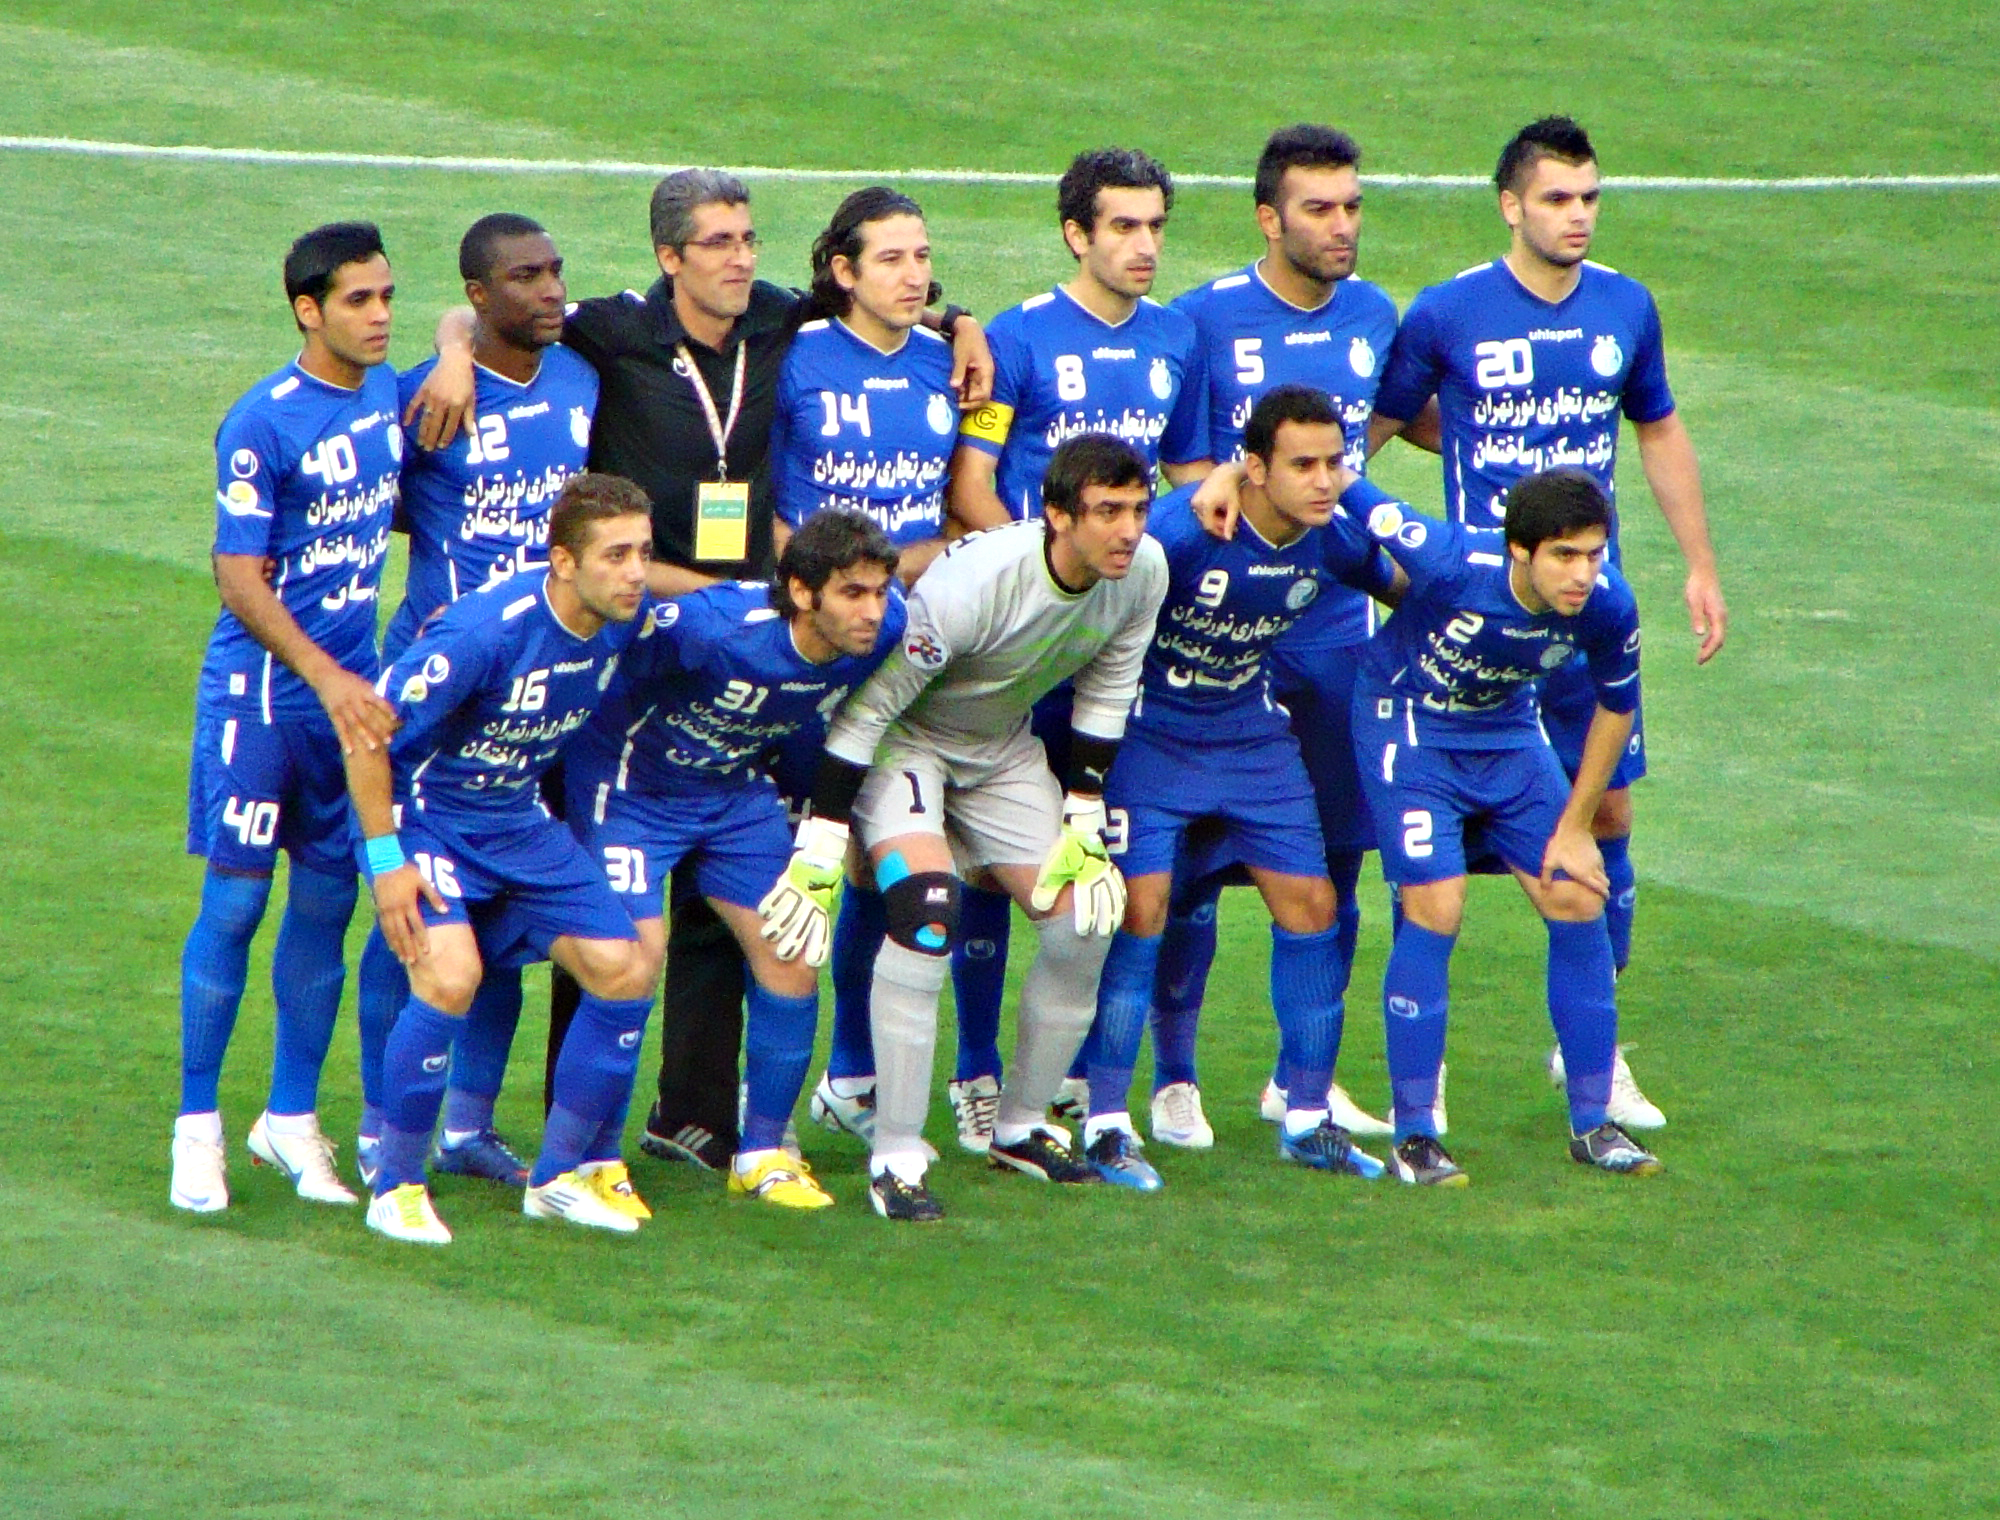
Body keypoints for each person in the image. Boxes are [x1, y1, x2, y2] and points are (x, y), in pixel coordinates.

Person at [413, 170, 990, 1174]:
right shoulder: (613, 330)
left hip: (765, 624)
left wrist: (965, 322)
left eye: (749, 239)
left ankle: (697, 1117)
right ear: (670, 256)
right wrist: (452, 353)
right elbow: (487, 305)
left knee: (739, 897)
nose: (739, 258)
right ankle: (566, 1128)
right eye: (716, 242)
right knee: (600, 906)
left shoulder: (774, 319)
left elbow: (882, 292)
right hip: (643, 628)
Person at [813, 147, 1205, 1157]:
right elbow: (972, 472)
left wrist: (1082, 798)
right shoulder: (1013, 345)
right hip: (961, 647)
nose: (1144, 245)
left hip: (1036, 675)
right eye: (1122, 225)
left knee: (1069, 911)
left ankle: (1017, 1113)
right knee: (922, 894)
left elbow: (1186, 475)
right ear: (1077, 233)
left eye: (1156, 225)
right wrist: (1031, 562)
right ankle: (895, 1092)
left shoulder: (1173, 347)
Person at [1369, 115, 1728, 1126]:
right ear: (1510, 204)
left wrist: (1697, 563)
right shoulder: (1446, 314)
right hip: (1477, 618)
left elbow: (1654, 426)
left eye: (1588, 198)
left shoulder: (1624, 307)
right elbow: (1376, 432)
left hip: (1581, 610)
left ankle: (1593, 1053)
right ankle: (1414, 1068)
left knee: (1606, 813)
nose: (1575, 216)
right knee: (1428, 856)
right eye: (1557, 199)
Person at [764, 434, 1168, 1221]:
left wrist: (1083, 809)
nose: (1127, 530)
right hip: (905, 741)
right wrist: (822, 839)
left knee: (1085, 915)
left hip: (1001, 747)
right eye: (1107, 512)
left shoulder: (1142, 573)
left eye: (1139, 510)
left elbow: (1110, 687)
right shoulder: (975, 584)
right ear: (1056, 515)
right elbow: (870, 711)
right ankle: (896, 1154)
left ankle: (1021, 1126)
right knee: (927, 915)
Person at [1152, 123, 1404, 1147]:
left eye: (1349, 206)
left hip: (1335, 628)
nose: (1339, 226)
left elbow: (1371, 437)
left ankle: (1304, 1077)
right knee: (1193, 868)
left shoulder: (1375, 314)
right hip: (1225, 635)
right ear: (1269, 217)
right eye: (1317, 208)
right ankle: (1172, 1076)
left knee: (1336, 858)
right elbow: (1179, 464)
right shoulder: (1200, 318)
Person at [1080, 387, 1401, 1189]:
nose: (1326, 481)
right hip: (1151, 733)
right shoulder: (1185, 532)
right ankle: (1106, 1121)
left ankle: (1305, 1117)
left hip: (1251, 736)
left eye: (1335, 463)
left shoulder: (1331, 541)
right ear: (1253, 469)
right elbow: (1091, 606)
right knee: (1141, 909)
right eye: (1304, 465)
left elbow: (1406, 584)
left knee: (1314, 907)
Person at [350, 474, 663, 1244]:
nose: (635, 573)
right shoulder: (484, 634)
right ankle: (396, 1184)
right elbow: (366, 734)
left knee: (626, 967)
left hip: (518, 821)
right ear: (562, 561)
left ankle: (556, 1179)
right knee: (451, 975)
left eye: (645, 554)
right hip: (430, 819)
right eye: (616, 555)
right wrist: (387, 860)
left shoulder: (621, 621)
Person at [353, 212, 598, 1191]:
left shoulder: (579, 371)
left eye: (555, 272)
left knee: (496, 922)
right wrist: (449, 352)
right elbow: (389, 509)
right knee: (408, 914)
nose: (549, 291)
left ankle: (466, 1122)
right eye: (525, 278)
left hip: (536, 693)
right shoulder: (428, 396)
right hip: (436, 692)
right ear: (479, 294)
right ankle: (380, 1118)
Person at [565, 510, 905, 1209]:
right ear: (803, 592)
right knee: (633, 960)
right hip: (632, 791)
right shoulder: (711, 628)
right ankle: (593, 1161)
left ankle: (765, 1151)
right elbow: (602, 663)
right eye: (853, 594)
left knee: (791, 952)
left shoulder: (886, 630)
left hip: (732, 795)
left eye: (879, 591)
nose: (873, 611)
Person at [1340, 465, 1664, 1184]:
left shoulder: (1609, 604)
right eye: (1564, 555)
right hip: (1411, 727)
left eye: (1593, 552)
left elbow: (1617, 708)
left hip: (1508, 733)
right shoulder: (1450, 558)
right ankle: (1416, 1134)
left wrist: (1577, 827)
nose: (1583, 574)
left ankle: (1592, 1123)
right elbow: (1348, 487)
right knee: (1436, 905)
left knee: (1579, 893)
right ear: (1520, 550)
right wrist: (1237, 476)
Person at [171, 222, 400, 1214]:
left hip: (346, 702)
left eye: (388, 295)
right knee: (233, 905)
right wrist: (324, 672)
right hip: (264, 697)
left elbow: (456, 337)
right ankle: (196, 1130)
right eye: (360, 300)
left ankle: (292, 1119)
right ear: (309, 310)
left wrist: (450, 336)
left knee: (327, 907)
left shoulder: (394, 389)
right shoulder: (261, 422)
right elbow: (236, 574)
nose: (380, 314)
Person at [771, 188, 957, 586]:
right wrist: (816, 579)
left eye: (922, 256)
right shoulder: (792, 359)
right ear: (844, 272)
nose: (914, 276)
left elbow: (965, 496)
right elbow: (756, 499)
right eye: (890, 259)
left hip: (927, 589)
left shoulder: (953, 362)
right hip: (816, 595)